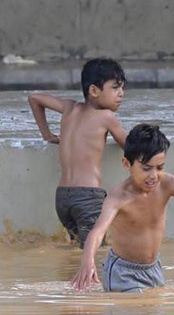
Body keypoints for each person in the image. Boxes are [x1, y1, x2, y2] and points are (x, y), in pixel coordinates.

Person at [71, 124, 174, 292]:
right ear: (126, 164)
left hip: (153, 269)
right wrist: (88, 260)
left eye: (159, 167)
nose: (153, 176)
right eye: (146, 168)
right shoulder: (118, 196)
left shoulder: (169, 184)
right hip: (122, 272)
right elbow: (98, 232)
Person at [28, 58, 128, 247]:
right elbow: (129, 146)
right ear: (94, 91)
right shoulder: (106, 117)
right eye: (115, 88)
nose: (121, 94)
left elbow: (35, 98)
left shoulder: (69, 108)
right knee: (95, 254)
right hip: (88, 198)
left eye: (122, 88)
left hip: (62, 198)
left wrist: (47, 134)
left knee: (76, 253)